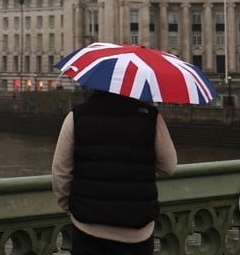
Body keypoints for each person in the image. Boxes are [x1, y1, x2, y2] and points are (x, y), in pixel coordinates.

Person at [51, 89, 177, 255]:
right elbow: (169, 167)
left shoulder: (77, 116)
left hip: (88, 227)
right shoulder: (150, 116)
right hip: (136, 231)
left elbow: (60, 172)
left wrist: (71, 208)